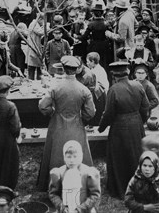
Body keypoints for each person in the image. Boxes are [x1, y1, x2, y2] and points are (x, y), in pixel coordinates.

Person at [37, 56, 96, 191]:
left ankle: (55, 186)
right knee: (78, 154)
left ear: (63, 69)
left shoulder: (55, 87)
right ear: (77, 70)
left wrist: (53, 112)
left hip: (57, 125)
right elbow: (90, 112)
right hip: (76, 125)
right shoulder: (84, 90)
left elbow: (42, 106)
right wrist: (81, 116)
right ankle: (81, 186)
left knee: (56, 153)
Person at [99, 61, 150, 198]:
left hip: (119, 128)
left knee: (119, 158)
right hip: (136, 125)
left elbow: (108, 113)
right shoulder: (138, 85)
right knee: (136, 154)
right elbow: (146, 107)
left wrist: (101, 128)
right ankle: (139, 187)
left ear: (114, 75)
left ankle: (121, 188)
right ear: (127, 72)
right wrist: (141, 121)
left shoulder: (114, 90)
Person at [48, 140, 101, 213]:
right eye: (68, 157)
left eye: (75, 156)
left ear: (81, 156)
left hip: (84, 209)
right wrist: (62, 207)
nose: (72, 160)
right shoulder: (59, 173)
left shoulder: (88, 173)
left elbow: (94, 195)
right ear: (64, 157)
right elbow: (53, 194)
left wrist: (81, 209)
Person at [26, 13, 46, 79]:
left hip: (35, 48)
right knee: (33, 67)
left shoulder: (36, 24)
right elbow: (41, 32)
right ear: (40, 19)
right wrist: (47, 28)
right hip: (34, 49)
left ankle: (37, 81)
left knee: (38, 67)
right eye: (43, 20)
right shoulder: (34, 24)